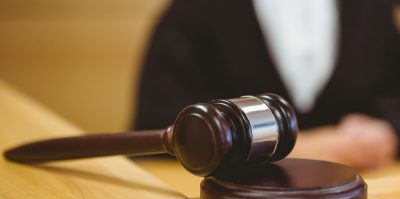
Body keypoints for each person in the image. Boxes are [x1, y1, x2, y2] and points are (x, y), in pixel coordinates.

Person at [134, 0, 400, 170]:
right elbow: (160, 123)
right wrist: (309, 150)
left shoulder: (374, 6)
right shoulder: (195, 9)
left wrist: (386, 130)